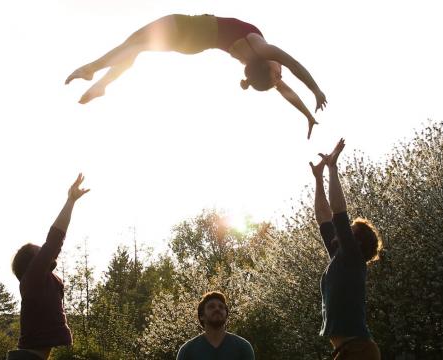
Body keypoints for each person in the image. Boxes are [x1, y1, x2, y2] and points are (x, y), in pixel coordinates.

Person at [65, 14, 327, 139]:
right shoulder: (253, 62)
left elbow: (292, 64)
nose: (280, 71)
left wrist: (315, 90)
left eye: (277, 71)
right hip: (192, 45)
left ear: (269, 68)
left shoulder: (260, 49)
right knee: (136, 49)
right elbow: (285, 91)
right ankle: (102, 84)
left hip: (187, 28)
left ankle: (92, 69)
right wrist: (307, 115)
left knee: (133, 45)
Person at [309, 139, 383, 360]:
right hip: (346, 351)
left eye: (348, 231)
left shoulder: (353, 257)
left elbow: (338, 211)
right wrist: (318, 180)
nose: (341, 232)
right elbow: (324, 218)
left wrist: (332, 169)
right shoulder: (340, 258)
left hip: (359, 350)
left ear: (356, 241)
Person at [6, 174, 90, 360]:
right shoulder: (32, 279)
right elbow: (54, 240)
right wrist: (70, 201)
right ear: (32, 263)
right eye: (40, 252)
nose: (45, 253)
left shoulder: (42, 283)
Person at [176, 291, 254, 360]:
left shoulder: (243, 347)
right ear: (201, 316)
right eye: (211, 307)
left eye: (221, 307)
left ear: (226, 315)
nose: (217, 309)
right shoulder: (187, 350)